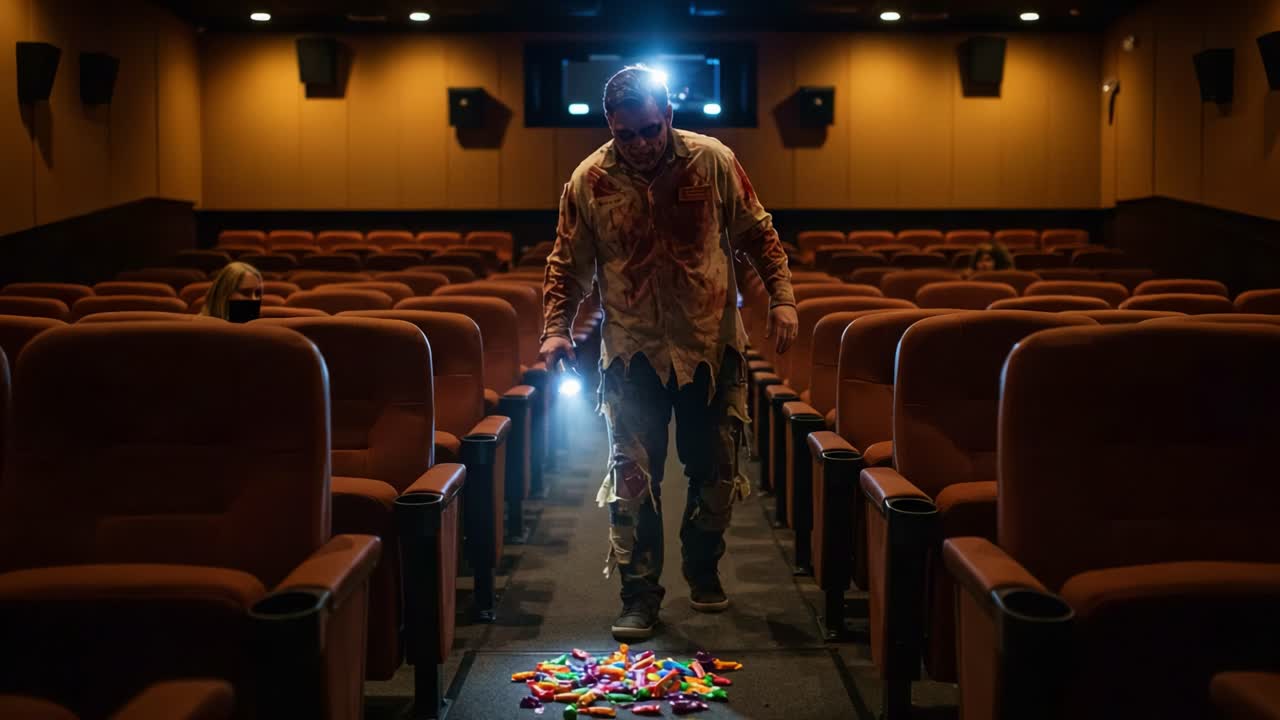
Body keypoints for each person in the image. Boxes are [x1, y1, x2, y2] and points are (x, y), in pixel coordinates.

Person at [539, 65, 798, 641]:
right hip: (631, 353)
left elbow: (758, 233)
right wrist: (556, 329)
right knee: (632, 480)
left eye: (650, 130)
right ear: (610, 126)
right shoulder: (589, 179)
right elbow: (566, 263)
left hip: (710, 347)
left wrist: (782, 298)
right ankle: (639, 596)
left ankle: (702, 565)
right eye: (625, 134)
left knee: (716, 474)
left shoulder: (712, 160)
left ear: (669, 116)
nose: (639, 143)